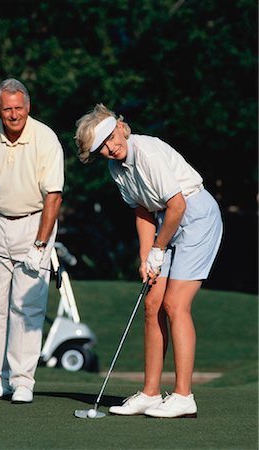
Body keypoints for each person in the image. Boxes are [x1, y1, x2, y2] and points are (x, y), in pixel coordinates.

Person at [75, 104, 223, 418]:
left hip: (197, 217)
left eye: (110, 139)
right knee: (152, 303)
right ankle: (150, 393)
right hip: (165, 223)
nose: (110, 148)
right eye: (100, 148)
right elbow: (143, 211)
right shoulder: (117, 169)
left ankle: (184, 396)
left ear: (119, 128)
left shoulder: (148, 153)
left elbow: (177, 205)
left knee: (175, 304)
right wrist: (146, 258)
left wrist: (157, 248)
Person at [0, 78, 64, 403]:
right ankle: (0, 377)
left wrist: (40, 245)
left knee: (27, 307)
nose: (14, 115)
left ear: (28, 107)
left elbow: (54, 197)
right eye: (7, 110)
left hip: (34, 225)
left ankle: (22, 381)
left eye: (19, 108)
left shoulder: (45, 138)